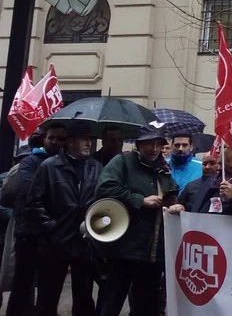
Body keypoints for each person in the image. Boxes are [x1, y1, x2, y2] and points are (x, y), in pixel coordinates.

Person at [94, 127, 178, 316]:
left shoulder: (163, 169)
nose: (154, 149)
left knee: (147, 305)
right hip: (124, 249)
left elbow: (172, 191)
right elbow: (105, 189)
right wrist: (140, 200)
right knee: (111, 301)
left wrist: (175, 203)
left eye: (158, 144)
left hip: (153, 253)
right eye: (150, 143)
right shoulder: (122, 162)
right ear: (139, 144)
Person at [29, 122, 102, 316]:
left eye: (90, 140)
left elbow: (103, 201)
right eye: (84, 139)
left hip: (85, 242)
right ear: (70, 142)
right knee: (48, 296)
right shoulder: (49, 166)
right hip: (55, 242)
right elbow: (35, 202)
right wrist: (50, 227)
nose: (89, 143)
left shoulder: (96, 167)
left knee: (84, 297)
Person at [2, 122, 66, 316]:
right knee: (22, 286)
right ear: (44, 138)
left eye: (60, 138)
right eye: (51, 137)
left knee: (49, 289)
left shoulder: (66, 163)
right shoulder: (30, 162)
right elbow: (30, 193)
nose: (54, 141)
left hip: (55, 236)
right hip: (30, 233)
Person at [168, 133, 232, 217]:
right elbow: (199, 206)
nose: (217, 151)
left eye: (222, 148)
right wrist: (182, 207)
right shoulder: (214, 178)